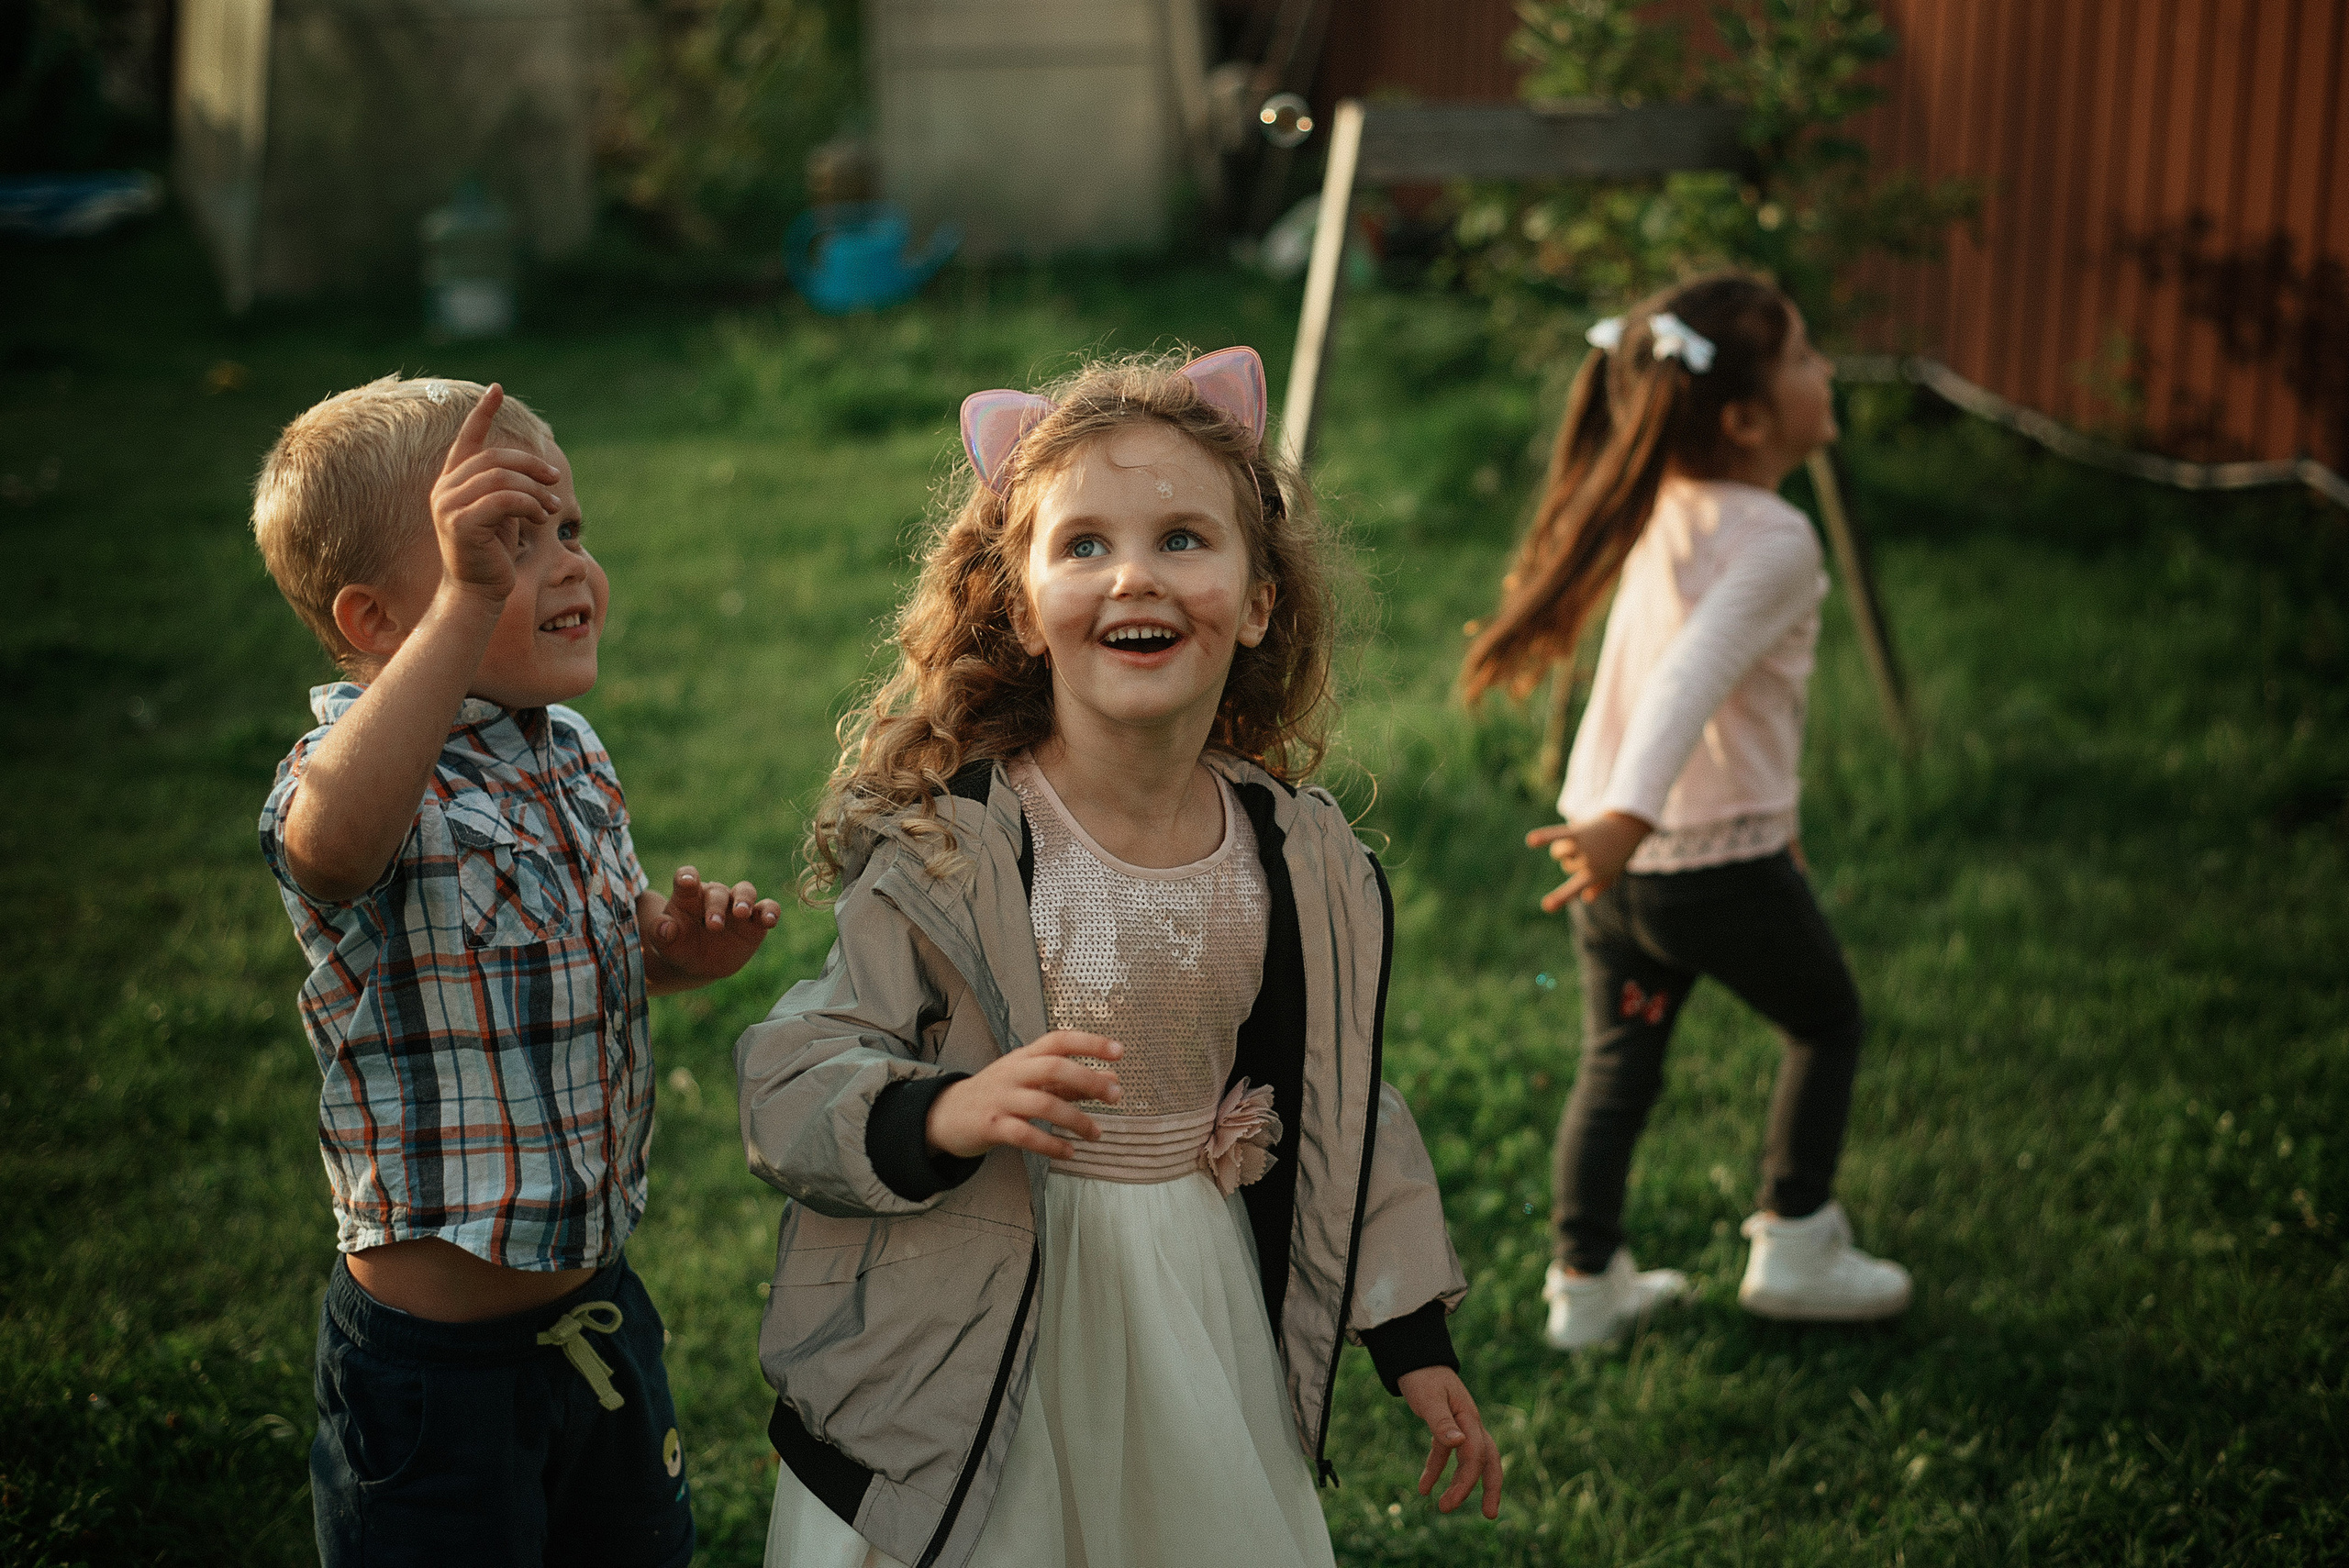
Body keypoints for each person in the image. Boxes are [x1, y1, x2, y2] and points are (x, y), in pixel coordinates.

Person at [736, 347, 1503, 1568]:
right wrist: (944, 1112)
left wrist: (1408, 1332)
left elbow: (1339, 1098)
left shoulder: (1288, 854)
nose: (1133, 573)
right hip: (984, 1309)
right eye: (1082, 545)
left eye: (1183, 539)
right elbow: (798, 1069)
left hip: (1188, 1298)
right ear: (1023, 607)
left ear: (1257, 601)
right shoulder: (953, 848)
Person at [253, 375, 781, 1566]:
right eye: (499, 544)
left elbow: (566, 953)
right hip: (433, 1378)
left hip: (596, 1318)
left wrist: (667, 950)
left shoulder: (571, 751)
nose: (564, 567)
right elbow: (331, 851)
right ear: (380, 620)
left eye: (569, 532)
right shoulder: (353, 771)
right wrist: (470, 604)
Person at [1462, 273, 1913, 1351]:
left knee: (1619, 1059)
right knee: (1826, 1019)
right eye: (1806, 354)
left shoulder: (1668, 500)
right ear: (1749, 417)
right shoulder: (1772, 538)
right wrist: (1631, 812)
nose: (1826, 369)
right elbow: (1687, 680)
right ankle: (1797, 1242)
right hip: (1699, 862)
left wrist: (1618, 826)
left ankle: (1585, 1284)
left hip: (1622, 876)